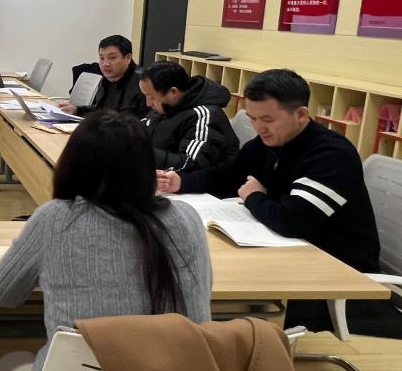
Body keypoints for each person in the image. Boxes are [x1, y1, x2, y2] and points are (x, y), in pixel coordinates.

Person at [0, 110, 212, 371]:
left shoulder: (55, 219)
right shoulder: (187, 218)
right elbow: (200, 308)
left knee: (9, 362)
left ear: (72, 164)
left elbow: (0, 294)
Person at [157, 69, 380, 274]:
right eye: (252, 118)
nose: (259, 127)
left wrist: (254, 196)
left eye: (267, 119)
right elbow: (227, 176)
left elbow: (290, 221)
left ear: (301, 115)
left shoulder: (332, 154)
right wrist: (182, 182)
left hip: (340, 270)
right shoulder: (269, 142)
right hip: (288, 252)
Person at [140, 61, 239, 173]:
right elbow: (141, 131)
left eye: (151, 97)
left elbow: (191, 165)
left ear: (173, 92)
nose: (148, 103)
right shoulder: (163, 107)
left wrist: (144, 154)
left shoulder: (204, 115)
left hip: (202, 182)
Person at [60, 35, 147, 117]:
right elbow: (101, 109)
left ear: (128, 58)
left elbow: (144, 121)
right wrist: (76, 110)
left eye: (112, 58)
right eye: (102, 58)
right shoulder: (106, 80)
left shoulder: (143, 82)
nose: (105, 64)